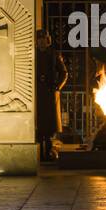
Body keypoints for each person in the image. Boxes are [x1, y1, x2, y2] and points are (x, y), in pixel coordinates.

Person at [35, 29, 67, 162]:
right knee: (39, 123)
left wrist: (57, 87)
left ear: (48, 40)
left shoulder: (54, 54)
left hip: (49, 92)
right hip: (37, 92)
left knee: (49, 124)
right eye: (39, 39)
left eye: (44, 39)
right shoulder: (33, 54)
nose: (42, 41)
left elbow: (64, 73)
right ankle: (39, 153)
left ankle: (48, 152)